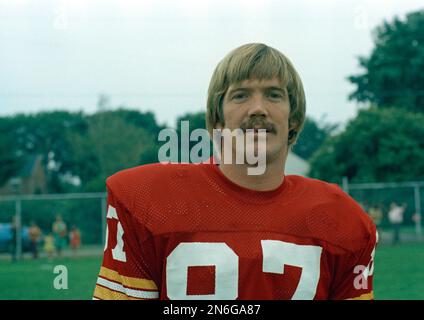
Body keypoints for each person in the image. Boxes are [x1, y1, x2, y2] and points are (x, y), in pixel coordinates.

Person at [93, 43, 377, 300]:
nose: (258, 108)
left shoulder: (343, 220)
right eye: (240, 95)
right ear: (218, 120)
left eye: (274, 95)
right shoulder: (145, 199)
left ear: (294, 118)